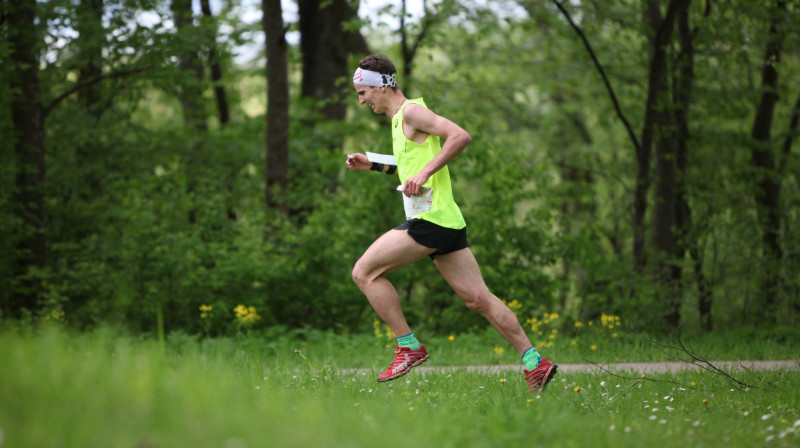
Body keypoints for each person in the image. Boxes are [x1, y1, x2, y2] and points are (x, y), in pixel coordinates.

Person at [345, 54, 557, 393]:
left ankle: (409, 346)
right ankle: (535, 362)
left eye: (362, 93)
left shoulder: (411, 112)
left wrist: (427, 173)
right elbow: (410, 167)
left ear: (380, 86)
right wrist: (371, 164)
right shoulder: (400, 120)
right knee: (478, 299)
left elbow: (460, 136)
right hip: (447, 222)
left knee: (364, 273)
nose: (361, 100)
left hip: (429, 221)